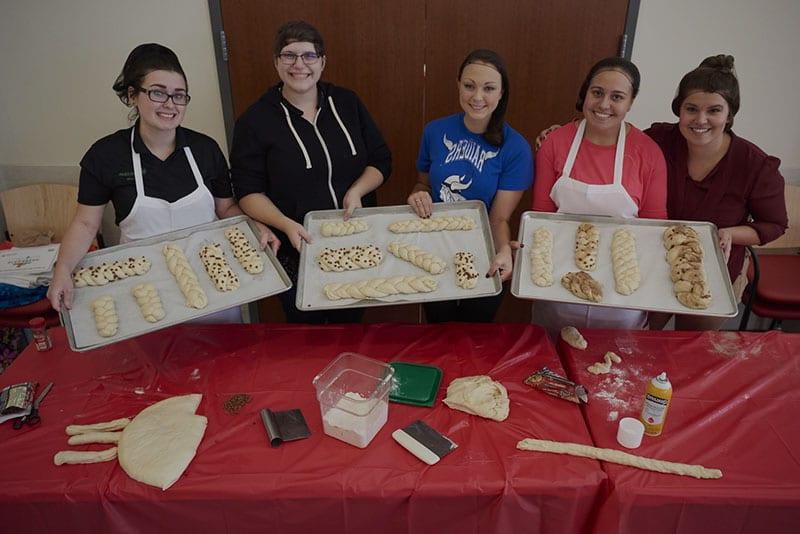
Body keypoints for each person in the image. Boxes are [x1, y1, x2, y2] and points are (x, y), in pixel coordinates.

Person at [47, 43, 277, 322]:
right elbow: (85, 223)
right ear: (132, 95)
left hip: (211, 281)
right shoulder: (106, 155)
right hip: (143, 287)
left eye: (179, 96)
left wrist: (255, 227)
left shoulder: (205, 149)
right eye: (158, 93)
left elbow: (226, 209)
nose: (170, 104)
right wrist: (62, 269)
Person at [230, 20, 391, 324]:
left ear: (322, 62)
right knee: (308, 336)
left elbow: (381, 160)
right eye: (289, 55)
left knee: (351, 326)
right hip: (296, 250)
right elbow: (248, 191)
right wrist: (285, 224)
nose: (299, 65)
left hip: (356, 243)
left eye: (309, 56)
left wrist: (357, 190)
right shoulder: (255, 120)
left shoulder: (346, 103)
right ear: (277, 62)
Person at [645, 55, 787, 331]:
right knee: (638, 339)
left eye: (714, 110)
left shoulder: (754, 164)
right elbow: (611, 141)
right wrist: (564, 134)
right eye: (691, 109)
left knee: (691, 348)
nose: (701, 120)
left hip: (714, 274)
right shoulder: (658, 140)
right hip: (653, 263)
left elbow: (774, 225)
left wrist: (729, 233)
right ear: (679, 110)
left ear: (729, 115)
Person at [531, 57, 667, 332]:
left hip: (622, 295)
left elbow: (654, 230)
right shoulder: (555, 143)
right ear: (585, 94)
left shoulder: (648, 153)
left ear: (631, 102)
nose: (604, 104)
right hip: (558, 288)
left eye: (617, 97)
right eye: (597, 93)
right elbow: (540, 220)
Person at [407, 49, 533, 323]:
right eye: (469, 86)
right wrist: (418, 195)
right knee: (438, 329)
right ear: (458, 86)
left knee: (474, 337)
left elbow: (499, 218)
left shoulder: (516, 148)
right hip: (435, 248)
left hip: (484, 254)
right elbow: (423, 184)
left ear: (501, 93)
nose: (477, 97)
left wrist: (502, 251)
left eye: (489, 88)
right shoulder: (435, 132)